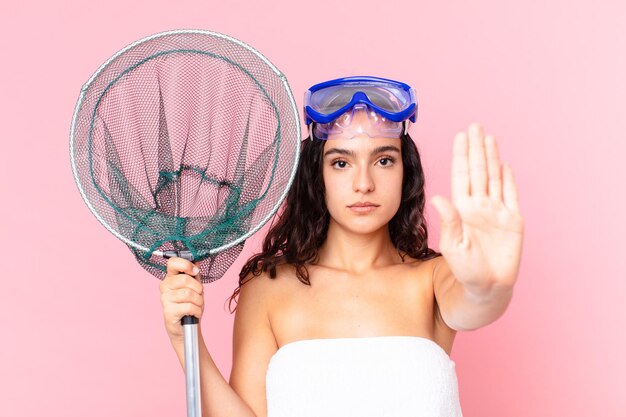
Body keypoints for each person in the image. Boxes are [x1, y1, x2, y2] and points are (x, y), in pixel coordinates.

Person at [159, 76, 524, 417]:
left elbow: (475, 304)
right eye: (341, 163)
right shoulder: (267, 287)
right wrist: (184, 341)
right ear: (317, 175)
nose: (363, 183)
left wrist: (488, 284)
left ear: (405, 171)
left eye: (383, 160)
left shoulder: (433, 278)